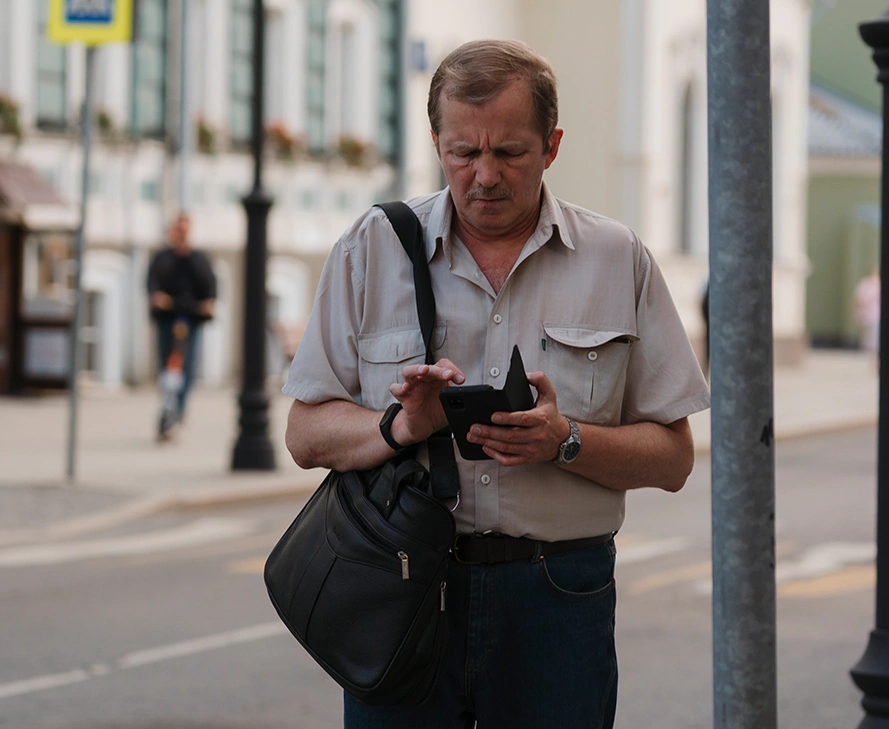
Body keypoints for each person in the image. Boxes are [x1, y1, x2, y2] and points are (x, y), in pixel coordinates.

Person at [282, 40, 710, 728]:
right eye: (462, 153)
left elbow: (674, 457)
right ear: (436, 142)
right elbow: (304, 434)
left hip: (558, 597)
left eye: (509, 152)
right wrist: (401, 426)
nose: (484, 174)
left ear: (552, 145)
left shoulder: (616, 257)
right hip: (402, 587)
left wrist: (564, 440)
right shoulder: (372, 248)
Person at [146, 213, 217, 435]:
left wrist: (208, 303)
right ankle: (168, 409)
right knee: (167, 367)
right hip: (168, 319)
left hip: (191, 320)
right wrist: (157, 298)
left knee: (187, 368)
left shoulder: (198, 258)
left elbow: (210, 286)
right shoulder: (163, 257)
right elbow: (152, 284)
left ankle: (178, 412)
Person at [853, 266, 881, 370]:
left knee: (875, 340)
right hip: (871, 315)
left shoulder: (877, 284)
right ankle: (874, 362)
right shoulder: (868, 284)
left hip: (875, 315)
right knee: (873, 340)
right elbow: (861, 299)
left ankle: (875, 362)